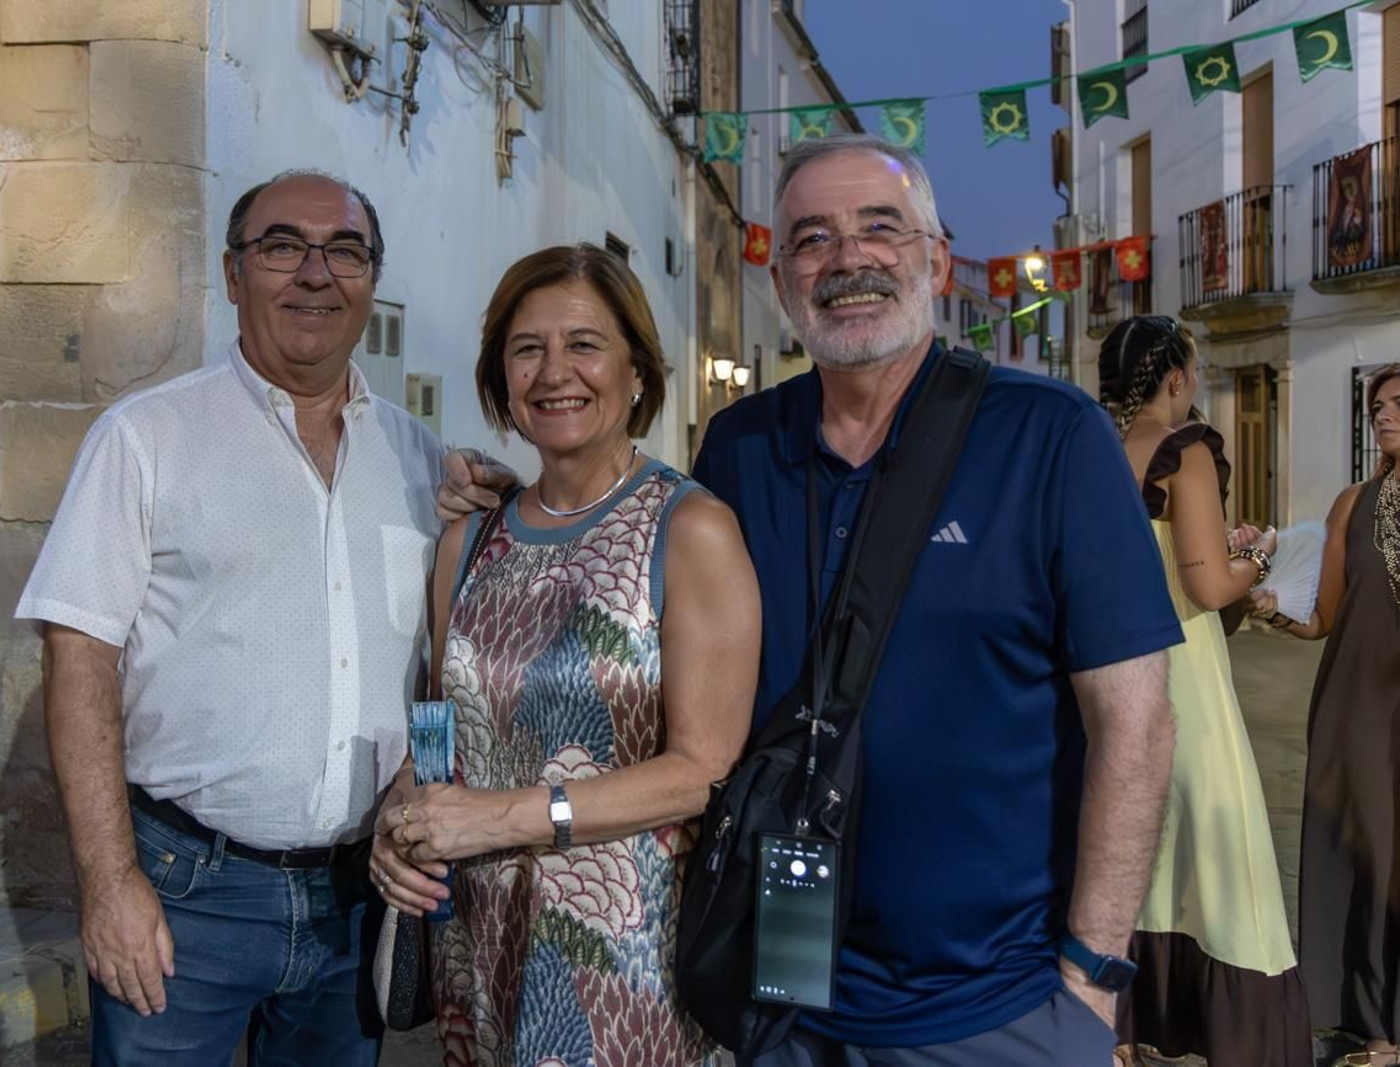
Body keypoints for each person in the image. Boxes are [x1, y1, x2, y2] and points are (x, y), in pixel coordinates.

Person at [438, 134, 1181, 1065]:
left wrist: (1091, 974)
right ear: (782, 280)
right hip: (780, 990)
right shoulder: (740, 449)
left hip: (997, 1001)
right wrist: (506, 504)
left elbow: (1138, 726)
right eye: (812, 238)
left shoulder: (1051, 438)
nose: (848, 259)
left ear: (939, 259)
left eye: (881, 228)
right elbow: (616, 553)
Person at [16, 170, 445, 1065]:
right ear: (232, 272)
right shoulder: (147, 438)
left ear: (373, 278)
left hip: (356, 900)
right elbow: (78, 661)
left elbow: (437, 658)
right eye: (284, 246)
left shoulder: (419, 458)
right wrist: (109, 883)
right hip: (186, 895)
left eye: (346, 251)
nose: (316, 274)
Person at [370, 244, 761, 1065]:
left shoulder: (690, 530)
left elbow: (704, 770)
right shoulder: (468, 537)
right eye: (527, 348)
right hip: (478, 945)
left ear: (637, 371)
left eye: (584, 343)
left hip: (622, 962)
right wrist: (400, 816)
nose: (555, 371)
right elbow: (439, 729)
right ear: (502, 379)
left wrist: (503, 815)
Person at [1097, 315, 1310, 1067]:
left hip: (1108, 670)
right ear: (1178, 377)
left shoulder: (1092, 448)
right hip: (1182, 671)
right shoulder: (1183, 449)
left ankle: (1123, 1025)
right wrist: (1258, 555)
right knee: (1223, 848)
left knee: (1135, 849)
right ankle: (1237, 1036)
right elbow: (1210, 582)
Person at [1252, 363, 1400, 1067]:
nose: (1383, 414)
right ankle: (1371, 1022)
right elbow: (1325, 619)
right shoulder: (1354, 502)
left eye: (1397, 402)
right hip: (1357, 709)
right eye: (1376, 406)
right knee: (1371, 854)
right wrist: (1271, 609)